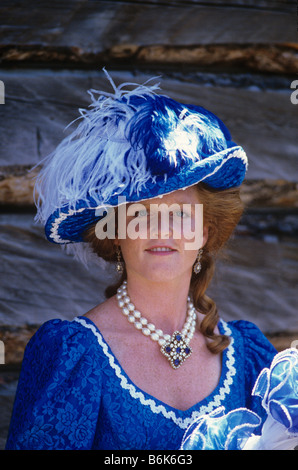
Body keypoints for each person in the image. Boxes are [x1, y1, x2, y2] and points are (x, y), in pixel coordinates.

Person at [6, 71, 277, 450]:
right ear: (114, 233)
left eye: (181, 214)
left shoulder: (247, 355)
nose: (161, 230)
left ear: (205, 231)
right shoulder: (72, 355)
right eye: (140, 214)